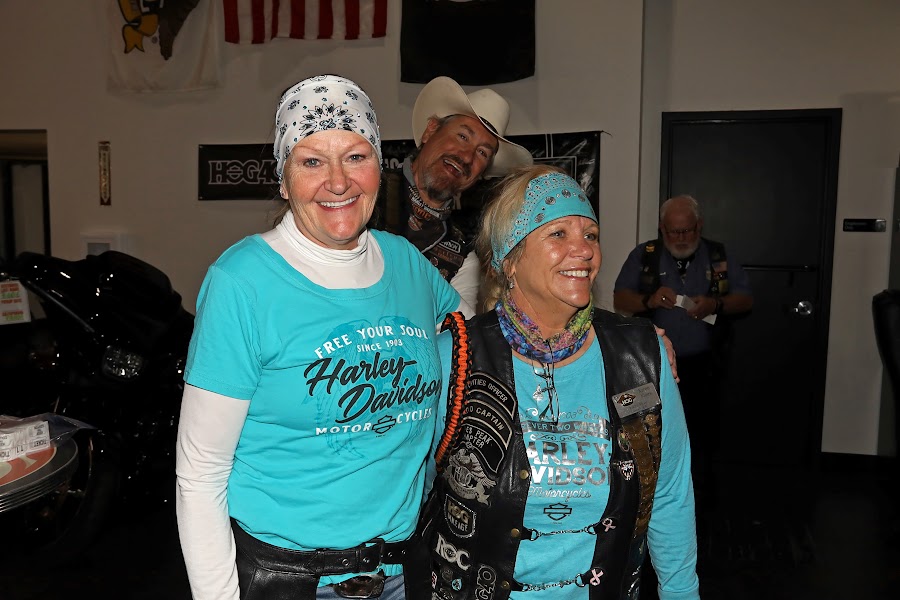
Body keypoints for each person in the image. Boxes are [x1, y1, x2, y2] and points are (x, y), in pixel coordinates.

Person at [175, 74, 474, 600]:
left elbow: (483, 342)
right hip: (290, 581)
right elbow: (200, 475)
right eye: (312, 161)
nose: (338, 182)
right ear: (283, 180)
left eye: (356, 157)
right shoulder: (242, 282)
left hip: (403, 572)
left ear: (379, 167)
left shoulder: (406, 263)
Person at [410, 166, 700, 599]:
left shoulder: (642, 355)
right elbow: (413, 491)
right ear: (509, 260)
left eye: (591, 235)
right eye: (558, 234)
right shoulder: (457, 357)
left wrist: (682, 593)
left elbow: (670, 494)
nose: (583, 250)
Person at [613, 194, 753, 496]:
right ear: (662, 228)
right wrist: (649, 300)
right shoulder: (645, 256)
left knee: (703, 430)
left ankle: (701, 491)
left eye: (687, 230)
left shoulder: (718, 256)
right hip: (653, 365)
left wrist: (716, 304)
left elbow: (745, 299)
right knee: (653, 430)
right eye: (673, 231)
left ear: (699, 226)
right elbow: (620, 299)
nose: (680, 238)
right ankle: (652, 489)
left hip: (705, 363)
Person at [399, 76, 534, 309]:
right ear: (430, 130)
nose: (466, 157)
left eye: (482, 153)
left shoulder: (462, 254)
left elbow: (458, 326)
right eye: (462, 136)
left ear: (482, 173)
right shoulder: (365, 195)